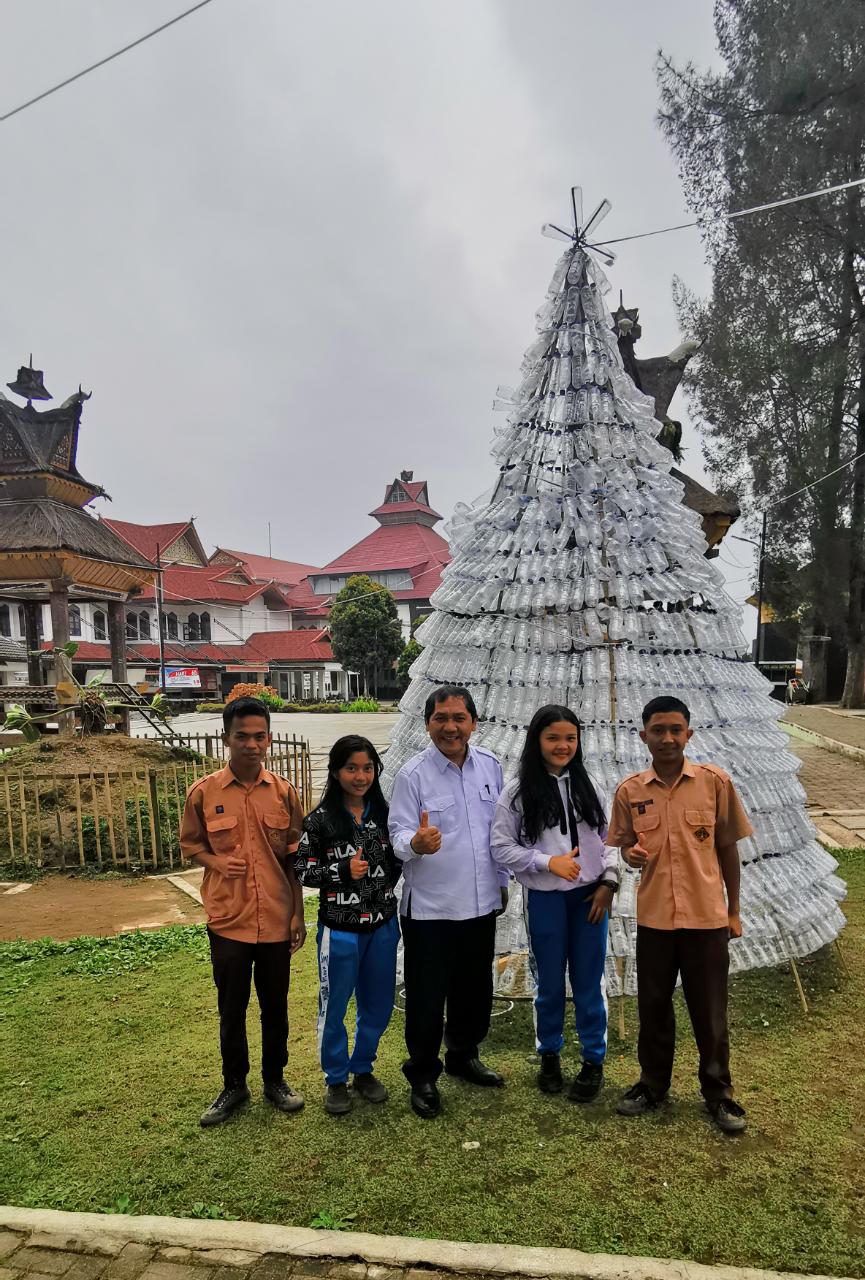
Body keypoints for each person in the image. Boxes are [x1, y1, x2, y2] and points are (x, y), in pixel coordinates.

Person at [606, 695, 753, 1134]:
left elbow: (728, 850)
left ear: (688, 734)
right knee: (653, 1008)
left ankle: (719, 1094)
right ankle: (652, 1086)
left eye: (675, 730)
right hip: (654, 921)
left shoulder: (714, 783)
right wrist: (631, 856)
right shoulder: (630, 791)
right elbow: (621, 848)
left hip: (707, 921)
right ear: (643, 736)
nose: (667, 738)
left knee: (709, 1012)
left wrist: (734, 911)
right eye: (658, 730)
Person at [180, 696, 306, 1127]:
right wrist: (215, 862)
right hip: (228, 919)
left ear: (268, 739)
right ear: (226, 738)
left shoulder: (285, 794)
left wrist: (298, 915)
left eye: (259, 736)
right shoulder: (204, 793)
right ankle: (234, 1085)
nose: (251, 745)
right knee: (231, 1007)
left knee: (276, 1006)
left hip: (275, 918)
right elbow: (191, 844)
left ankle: (276, 1080)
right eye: (241, 736)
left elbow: (294, 860)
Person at [388, 685, 508, 1119]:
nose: (450, 727)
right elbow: (397, 834)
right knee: (425, 995)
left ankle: (463, 1054)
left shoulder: (492, 768)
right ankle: (422, 1073)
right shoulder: (412, 775)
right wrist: (415, 842)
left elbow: (499, 832)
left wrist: (502, 882)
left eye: (459, 718)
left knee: (475, 988)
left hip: (480, 903)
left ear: (473, 723)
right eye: (441, 718)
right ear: (428, 724)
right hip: (431, 910)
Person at [490, 705, 619, 1101]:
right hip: (544, 899)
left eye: (570, 738)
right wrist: (548, 862)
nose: (562, 746)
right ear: (537, 741)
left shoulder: (589, 786)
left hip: (590, 899)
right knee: (548, 980)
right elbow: (500, 847)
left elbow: (611, 836)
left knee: (588, 980)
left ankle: (593, 1060)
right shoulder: (517, 793)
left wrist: (609, 882)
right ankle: (549, 1054)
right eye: (553, 738)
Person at [296, 735, 401, 1116]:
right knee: (335, 1005)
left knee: (378, 1004)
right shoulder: (320, 821)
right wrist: (341, 870)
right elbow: (302, 870)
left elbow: (400, 858)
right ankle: (336, 1078)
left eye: (368, 768)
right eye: (351, 768)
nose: (360, 776)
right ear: (336, 772)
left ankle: (363, 1068)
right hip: (339, 929)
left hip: (383, 926)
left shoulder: (386, 816)